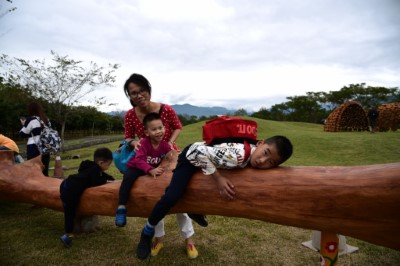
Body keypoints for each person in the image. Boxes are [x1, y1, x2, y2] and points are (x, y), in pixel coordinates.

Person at [135, 135, 293, 260]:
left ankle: (193, 211)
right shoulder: (236, 156)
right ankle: (147, 232)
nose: (262, 161)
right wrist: (218, 179)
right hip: (191, 157)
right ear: (260, 144)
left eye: (270, 162)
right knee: (171, 197)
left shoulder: (251, 153)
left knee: (197, 192)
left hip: (208, 157)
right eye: (265, 153)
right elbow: (198, 153)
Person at [120, 73, 198, 258]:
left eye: (142, 90)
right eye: (133, 93)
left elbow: (178, 126)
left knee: (177, 196)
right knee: (156, 198)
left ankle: (189, 240)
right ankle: (159, 239)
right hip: (149, 160)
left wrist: (170, 142)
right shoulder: (130, 115)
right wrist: (134, 144)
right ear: (129, 96)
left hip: (171, 157)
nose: (139, 95)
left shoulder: (166, 109)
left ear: (148, 90)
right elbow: (128, 137)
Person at [59, 147, 114, 248]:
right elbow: (97, 181)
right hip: (70, 190)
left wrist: (110, 178)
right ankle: (68, 235)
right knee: (69, 212)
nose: (108, 167)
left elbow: (102, 174)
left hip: (66, 183)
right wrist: (107, 181)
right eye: (108, 164)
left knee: (69, 211)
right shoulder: (95, 170)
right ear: (101, 163)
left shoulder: (89, 165)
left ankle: (68, 233)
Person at [19, 102, 51, 175]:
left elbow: (22, 134)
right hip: (46, 146)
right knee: (44, 171)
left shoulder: (30, 120)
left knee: (33, 172)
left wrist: (24, 125)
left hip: (34, 147)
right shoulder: (46, 120)